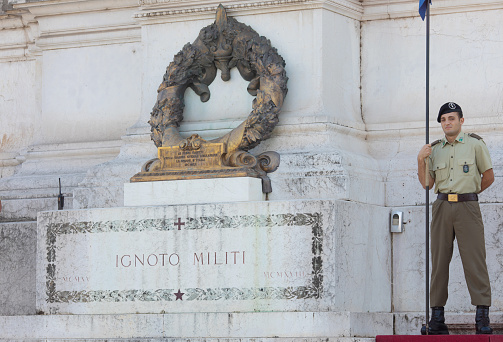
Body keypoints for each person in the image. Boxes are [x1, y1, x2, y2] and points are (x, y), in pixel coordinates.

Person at [417, 102, 494, 335]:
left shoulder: (474, 144)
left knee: (475, 262)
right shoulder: (435, 149)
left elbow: (488, 176)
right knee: (439, 262)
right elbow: (426, 183)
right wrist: (420, 160)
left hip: (467, 207)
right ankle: (437, 319)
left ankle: (482, 318)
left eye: (451, 118)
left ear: (461, 121)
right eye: (443, 120)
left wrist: (469, 194)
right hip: (441, 206)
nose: (447, 123)